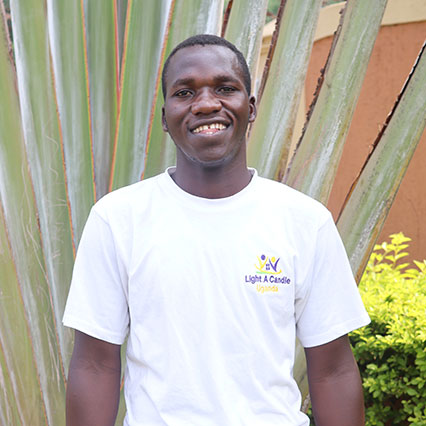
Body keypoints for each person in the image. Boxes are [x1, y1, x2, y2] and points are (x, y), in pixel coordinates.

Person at [63, 34, 370, 425]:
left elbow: (333, 370)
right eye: (185, 92)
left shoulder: (305, 222)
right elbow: (94, 364)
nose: (206, 104)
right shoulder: (118, 219)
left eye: (225, 88)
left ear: (250, 107)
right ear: (165, 118)